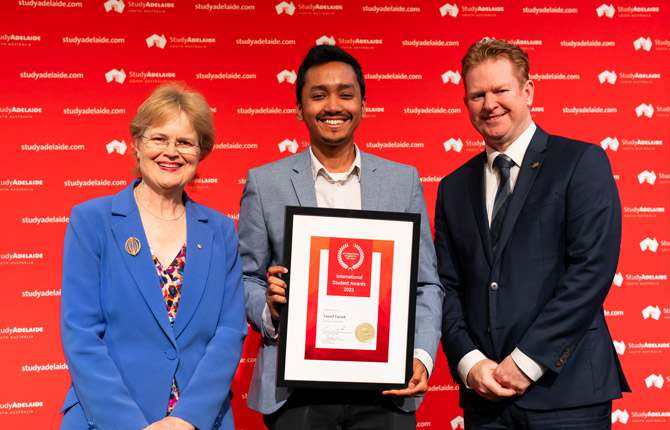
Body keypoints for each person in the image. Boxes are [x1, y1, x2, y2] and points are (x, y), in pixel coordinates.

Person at [238, 45, 444, 429]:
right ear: (300, 108)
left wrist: (421, 353)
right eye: (318, 95)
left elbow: (426, 283)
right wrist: (271, 309)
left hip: (385, 388)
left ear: (364, 104)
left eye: (346, 94)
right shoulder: (265, 183)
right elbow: (246, 277)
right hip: (297, 391)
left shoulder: (403, 181)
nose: (333, 106)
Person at [434, 38, 629, 429]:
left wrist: (527, 362)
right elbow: (445, 287)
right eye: (477, 94)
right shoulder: (453, 186)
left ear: (527, 91)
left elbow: (591, 271)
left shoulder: (580, 162)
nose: (489, 104)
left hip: (568, 396)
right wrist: (470, 365)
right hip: (485, 402)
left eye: (501, 90)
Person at [59, 83, 247, 430]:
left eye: (185, 142)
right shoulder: (91, 221)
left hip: (199, 421)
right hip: (107, 420)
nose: (171, 152)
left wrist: (186, 419)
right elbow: (81, 333)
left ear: (200, 152)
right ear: (136, 143)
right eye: (159, 138)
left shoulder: (221, 230)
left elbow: (229, 332)